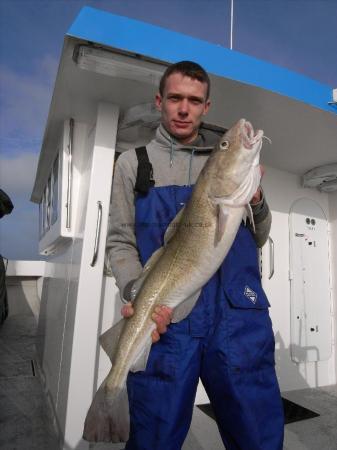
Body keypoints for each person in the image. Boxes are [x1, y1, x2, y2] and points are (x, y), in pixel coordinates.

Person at [106, 61, 284, 450]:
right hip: (167, 321)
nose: (183, 109)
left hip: (237, 319)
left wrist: (255, 197)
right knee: (154, 436)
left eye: (194, 100)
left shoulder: (223, 163)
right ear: (160, 101)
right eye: (175, 98)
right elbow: (119, 241)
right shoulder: (132, 163)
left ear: (206, 106)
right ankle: (110, 395)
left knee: (257, 436)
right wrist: (136, 292)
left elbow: (260, 236)